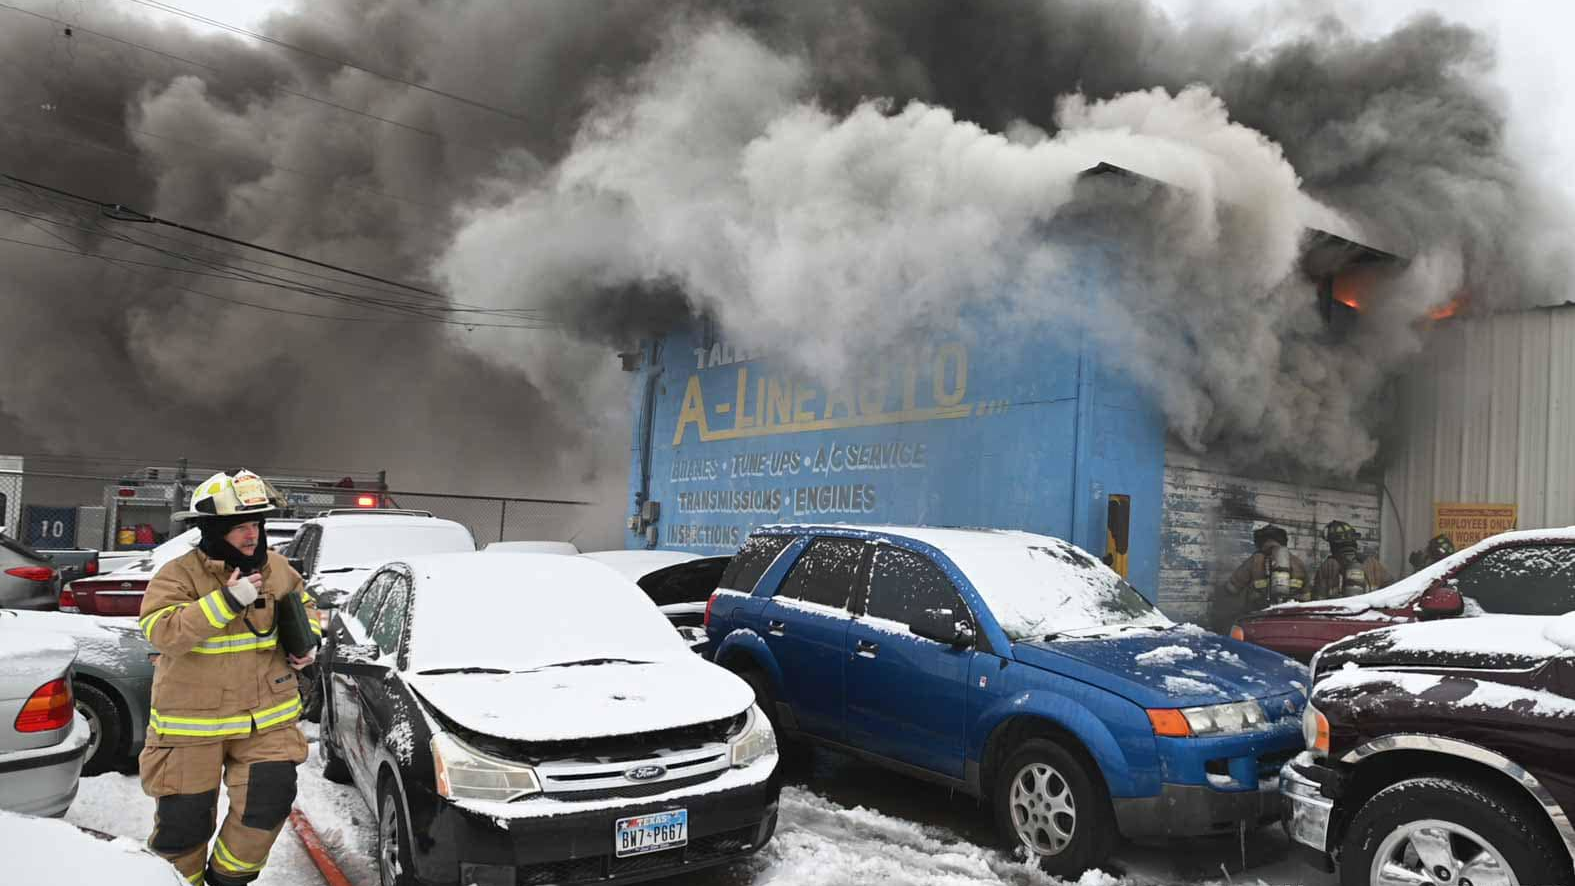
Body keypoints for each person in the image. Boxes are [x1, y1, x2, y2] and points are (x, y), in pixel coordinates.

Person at [137, 469, 320, 886]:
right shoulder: (179, 574)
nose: (251, 535)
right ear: (213, 530)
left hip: (266, 719)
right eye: (239, 527)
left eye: (255, 524)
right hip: (192, 725)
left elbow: (307, 607)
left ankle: (226, 882)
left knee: (267, 806)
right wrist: (224, 603)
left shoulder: (276, 567)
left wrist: (308, 642)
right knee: (184, 826)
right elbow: (161, 632)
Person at [1210, 524, 1310, 633]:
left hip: (1259, 618)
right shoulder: (1298, 562)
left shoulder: (1254, 561)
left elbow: (1232, 588)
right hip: (1291, 620)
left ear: (1261, 542)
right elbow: (1307, 597)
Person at [1311, 520, 1392, 599]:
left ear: (1333, 544)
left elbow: (1318, 601)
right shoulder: (1373, 563)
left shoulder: (1328, 566)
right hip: (1370, 612)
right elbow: (1392, 592)